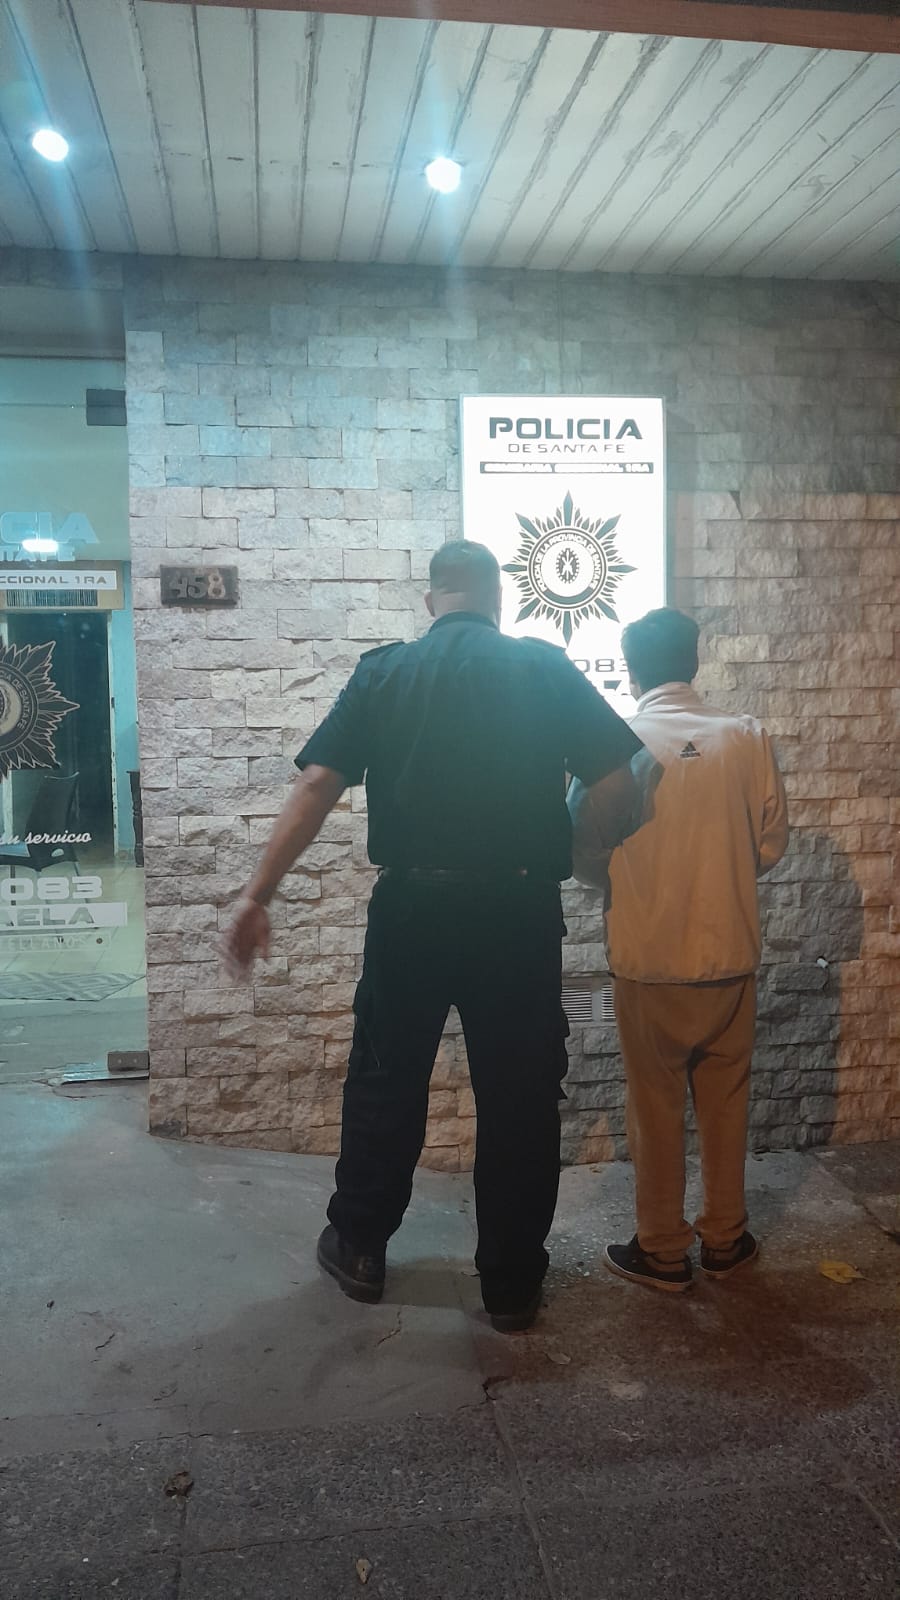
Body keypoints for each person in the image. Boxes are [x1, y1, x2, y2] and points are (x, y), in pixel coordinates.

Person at [222, 540, 642, 1332]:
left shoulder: (386, 672)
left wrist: (256, 894)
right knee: (521, 1094)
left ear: (431, 599)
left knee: (385, 1078)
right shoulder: (544, 667)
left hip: (412, 907)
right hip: (518, 910)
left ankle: (359, 1248)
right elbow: (616, 779)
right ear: (499, 601)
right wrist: (586, 849)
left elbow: (317, 782)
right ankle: (511, 1284)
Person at [570, 607, 788, 1292]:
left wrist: (629, 877)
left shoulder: (610, 742)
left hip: (648, 960)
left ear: (631, 670)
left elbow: (581, 854)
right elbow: (770, 846)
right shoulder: (746, 737)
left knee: (654, 1108)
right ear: (694, 661)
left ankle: (663, 1250)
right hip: (729, 955)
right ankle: (725, 1238)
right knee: (727, 1103)